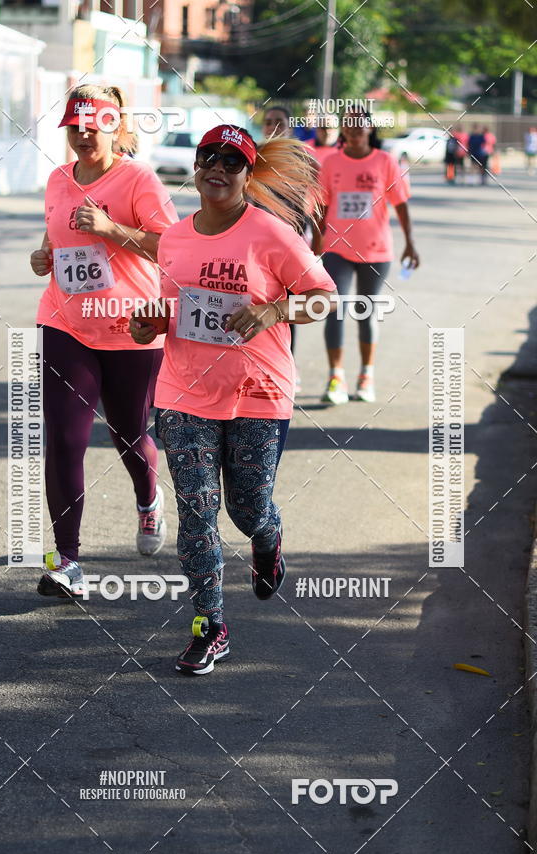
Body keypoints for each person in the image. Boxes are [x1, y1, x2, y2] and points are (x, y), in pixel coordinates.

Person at [129, 125, 337, 675]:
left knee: (245, 510)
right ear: (196, 168)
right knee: (197, 514)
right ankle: (210, 626)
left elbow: (323, 300)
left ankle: (267, 538)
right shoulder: (174, 238)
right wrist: (146, 323)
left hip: (257, 392)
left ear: (248, 174)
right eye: (208, 158)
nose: (217, 168)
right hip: (183, 392)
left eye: (231, 161)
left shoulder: (270, 235)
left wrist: (272, 311)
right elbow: (170, 314)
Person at [30, 84, 178, 597]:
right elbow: (57, 234)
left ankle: (147, 498)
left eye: (94, 124)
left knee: (129, 434)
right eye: (76, 125)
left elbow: (172, 248)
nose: (84, 133)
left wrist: (112, 228)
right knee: (66, 440)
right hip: (66, 322)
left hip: (130, 327)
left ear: (115, 127)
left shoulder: (138, 179)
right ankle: (66, 560)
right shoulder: (56, 179)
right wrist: (43, 255)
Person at [313, 112, 419, 405]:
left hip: (375, 250)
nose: (356, 130)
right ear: (343, 130)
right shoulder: (331, 162)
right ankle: (336, 376)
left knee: (365, 312)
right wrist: (316, 241)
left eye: (361, 125)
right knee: (335, 310)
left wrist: (410, 243)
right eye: (350, 125)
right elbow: (321, 205)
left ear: (370, 128)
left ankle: (366, 376)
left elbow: (400, 204)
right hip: (337, 249)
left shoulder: (385, 161)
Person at [260, 105, 319, 393]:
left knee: (287, 310)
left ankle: (287, 369)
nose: (273, 126)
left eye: (279, 121)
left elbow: (313, 205)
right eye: (268, 122)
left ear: (289, 125)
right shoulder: (254, 155)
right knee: (257, 304)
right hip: (255, 245)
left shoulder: (303, 157)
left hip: (289, 245)